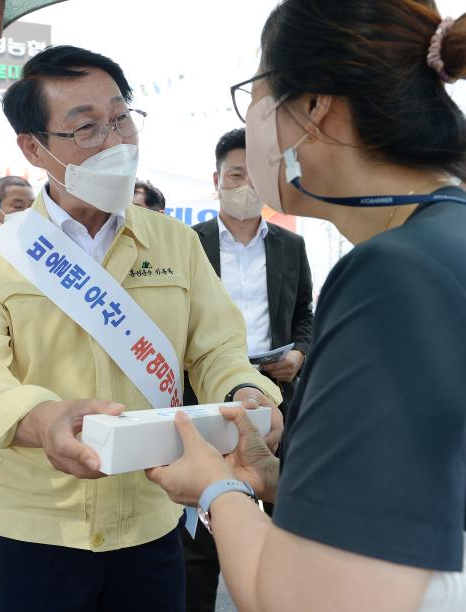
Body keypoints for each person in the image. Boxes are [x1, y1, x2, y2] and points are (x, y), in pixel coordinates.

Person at [148, 2, 466, 612]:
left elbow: (307, 599)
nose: (253, 125)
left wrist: (219, 489)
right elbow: (439, 502)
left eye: (255, 95)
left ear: (315, 108)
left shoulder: (399, 276)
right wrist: (282, 481)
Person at [0, 45, 283, 612]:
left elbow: (218, 347)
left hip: (153, 514)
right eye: (87, 129)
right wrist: (42, 419)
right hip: (37, 524)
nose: (116, 142)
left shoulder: (175, 242)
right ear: (34, 147)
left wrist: (245, 395)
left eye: (122, 119)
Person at [182, 127, 313, 612]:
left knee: (286, 521)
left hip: (275, 392)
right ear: (216, 179)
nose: (245, 185)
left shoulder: (288, 245)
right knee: (201, 529)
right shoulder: (187, 243)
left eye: (254, 174)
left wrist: (299, 352)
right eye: (235, 174)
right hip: (208, 394)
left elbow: (304, 314)